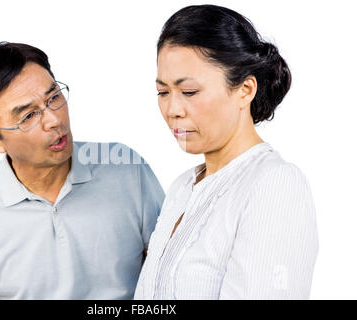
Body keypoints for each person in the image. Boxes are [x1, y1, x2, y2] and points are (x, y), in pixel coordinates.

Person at [0, 42, 164, 300]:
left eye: (54, 97)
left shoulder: (126, 169)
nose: (54, 120)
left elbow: (169, 276)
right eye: (28, 116)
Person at [134, 5, 319, 299]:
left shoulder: (275, 184)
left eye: (190, 92)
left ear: (245, 90)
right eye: (163, 92)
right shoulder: (182, 188)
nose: (172, 110)